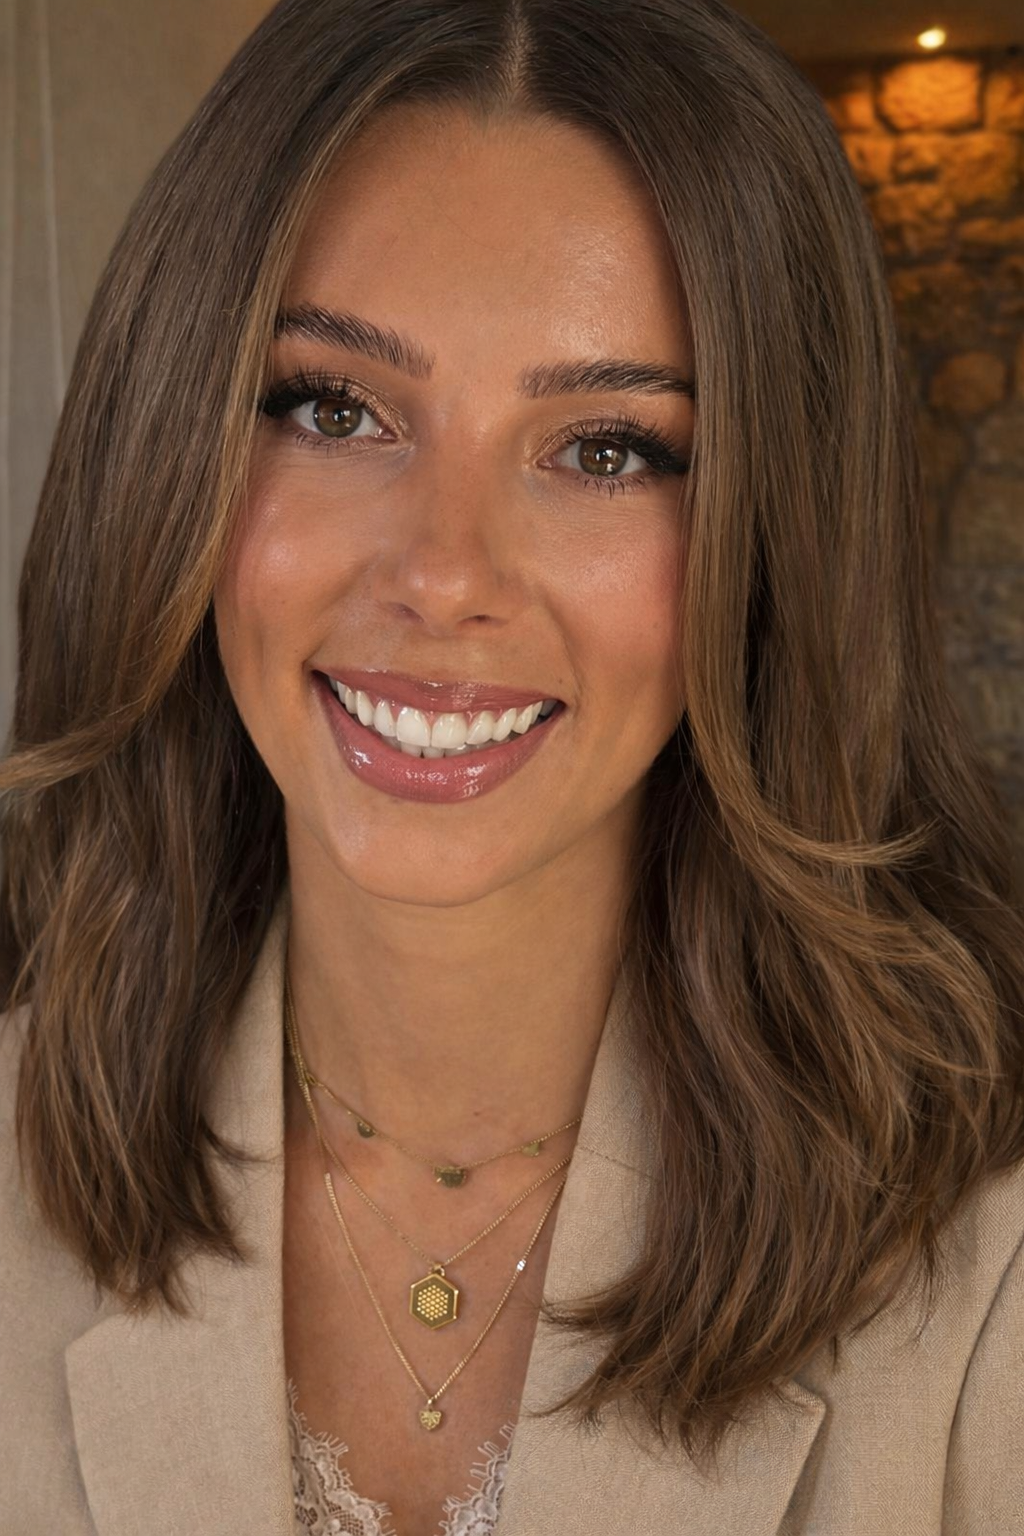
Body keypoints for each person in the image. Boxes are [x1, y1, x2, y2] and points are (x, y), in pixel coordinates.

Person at [2, 0, 1023, 1531]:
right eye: (334, 408)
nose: (443, 575)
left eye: (606, 448)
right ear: (169, 451)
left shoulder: (993, 1262)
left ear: (774, 537)